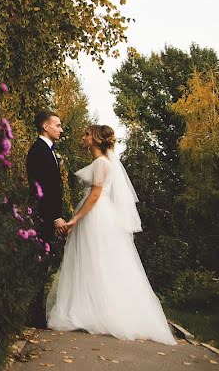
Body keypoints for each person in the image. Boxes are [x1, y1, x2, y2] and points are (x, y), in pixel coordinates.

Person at [46, 125, 176, 345]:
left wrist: (75, 219)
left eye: (87, 134)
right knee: (93, 262)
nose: (83, 137)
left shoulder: (101, 163)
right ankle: (89, 309)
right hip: (98, 215)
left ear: (95, 139)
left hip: (97, 216)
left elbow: (96, 194)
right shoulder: (104, 162)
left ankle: (95, 312)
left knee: (95, 261)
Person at [25, 110, 66, 327]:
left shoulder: (47, 151)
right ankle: (33, 316)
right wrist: (54, 217)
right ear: (45, 126)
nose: (60, 129)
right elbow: (43, 190)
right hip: (42, 217)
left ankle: (35, 314)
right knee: (38, 265)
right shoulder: (39, 151)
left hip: (44, 216)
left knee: (41, 265)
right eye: (57, 125)